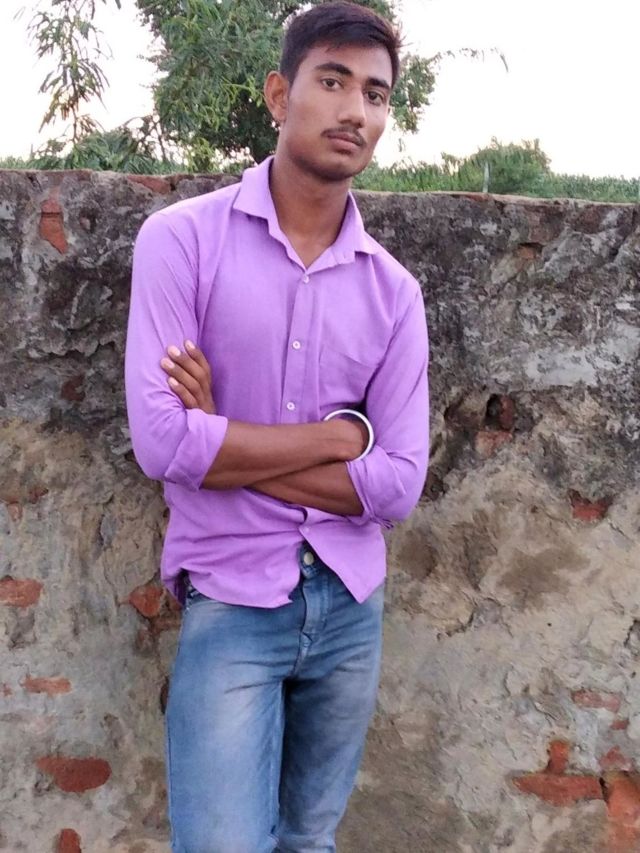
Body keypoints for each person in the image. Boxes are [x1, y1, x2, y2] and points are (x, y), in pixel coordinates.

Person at [125, 2, 429, 850]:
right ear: (278, 93)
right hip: (232, 594)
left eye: (375, 94)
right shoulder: (181, 242)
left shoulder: (394, 292)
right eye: (332, 80)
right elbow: (162, 442)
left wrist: (221, 435)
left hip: (349, 605)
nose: (354, 109)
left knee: (308, 844)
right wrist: (338, 440)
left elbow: (398, 484)